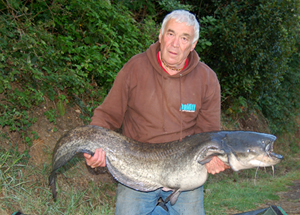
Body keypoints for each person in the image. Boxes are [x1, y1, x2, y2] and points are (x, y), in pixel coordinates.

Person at [84, 9, 229, 215]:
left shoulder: (207, 79)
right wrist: (92, 148)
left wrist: (213, 157)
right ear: (160, 36)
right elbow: (107, 115)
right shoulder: (135, 68)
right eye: (171, 34)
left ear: (193, 45)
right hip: (136, 168)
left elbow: (208, 134)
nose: (175, 44)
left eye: (184, 37)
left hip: (185, 171)